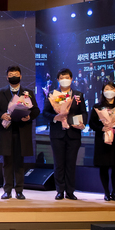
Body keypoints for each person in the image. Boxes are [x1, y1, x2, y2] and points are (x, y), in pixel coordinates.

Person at [0, 66, 39, 200]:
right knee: (7, 163)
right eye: (11, 74)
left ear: (20, 76)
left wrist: (29, 116)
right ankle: (7, 190)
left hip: (22, 132)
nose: (13, 76)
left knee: (20, 163)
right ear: (7, 77)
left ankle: (19, 190)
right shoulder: (0, 92)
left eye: (16, 74)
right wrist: (1, 115)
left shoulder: (28, 92)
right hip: (6, 132)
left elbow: (36, 110)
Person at [43, 68, 87, 200]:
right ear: (58, 79)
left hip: (73, 134)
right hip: (57, 134)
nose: (64, 80)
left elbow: (83, 112)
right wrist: (54, 117)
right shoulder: (52, 94)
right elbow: (45, 112)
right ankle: (60, 190)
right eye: (62, 78)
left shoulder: (78, 95)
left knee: (71, 164)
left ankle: (70, 191)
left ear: (71, 79)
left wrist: (81, 122)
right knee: (59, 163)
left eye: (67, 77)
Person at [88, 82, 115, 201]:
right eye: (106, 89)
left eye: (111, 89)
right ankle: (106, 192)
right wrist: (101, 128)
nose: (109, 91)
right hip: (103, 141)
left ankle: (114, 192)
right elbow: (92, 123)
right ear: (103, 91)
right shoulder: (97, 107)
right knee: (104, 166)